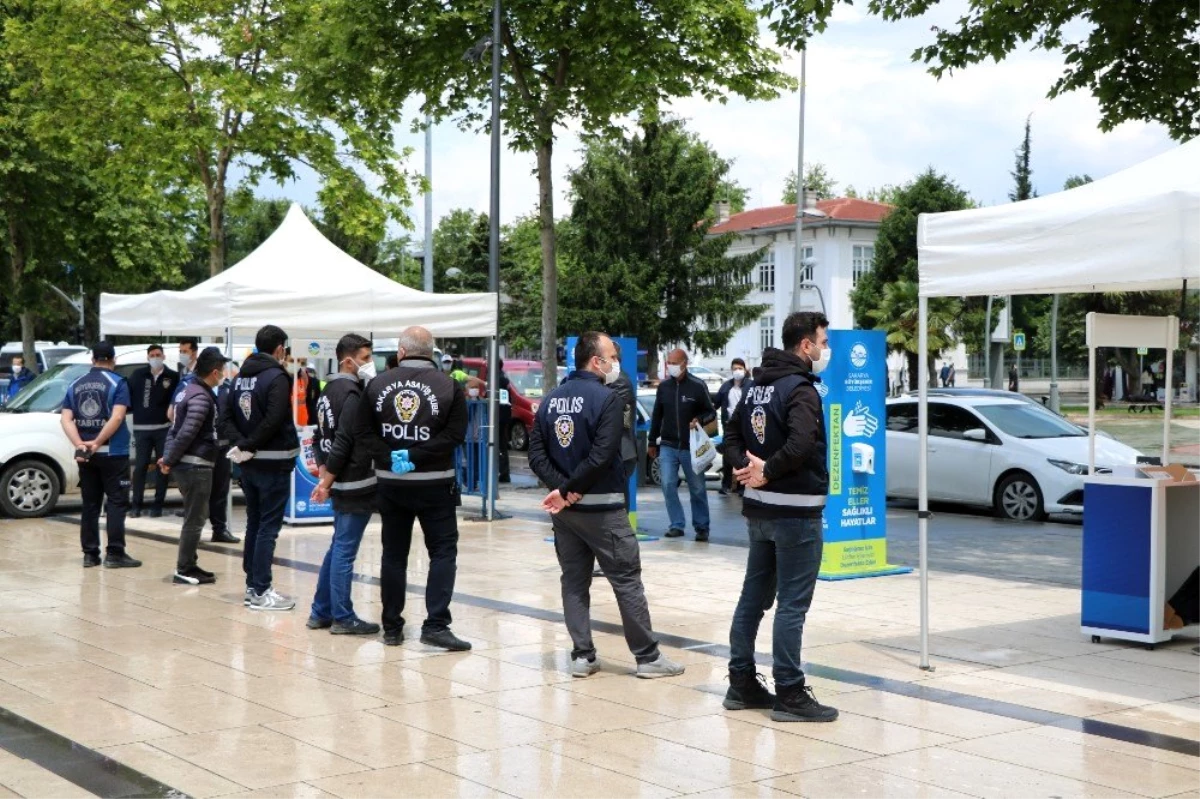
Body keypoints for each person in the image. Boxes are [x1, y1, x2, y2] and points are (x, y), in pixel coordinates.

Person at [529, 332, 685, 679]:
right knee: (627, 580)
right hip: (604, 510)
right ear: (596, 361)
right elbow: (602, 456)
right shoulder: (607, 398)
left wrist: (561, 490)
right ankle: (647, 657)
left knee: (573, 581)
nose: (616, 363)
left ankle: (582, 655)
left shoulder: (551, 399)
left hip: (566, 514)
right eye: (612, 356)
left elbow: (536, 455)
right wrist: (569, 489)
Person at [722, 311, 838, 723]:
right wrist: (765, 470)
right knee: (791, 604)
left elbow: (731, 433)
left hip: (759, 512)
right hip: (797, 514)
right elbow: (803, 443)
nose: (825, 350)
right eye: (822, 342)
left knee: (753, 598)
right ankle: (789, 690)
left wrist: (746, 469)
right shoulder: (801, 389)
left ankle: (740, 682)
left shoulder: (755, 386)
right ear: (805, 345)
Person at [351, 326, 470, 650]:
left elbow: (362, 431)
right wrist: (417, 454)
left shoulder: (378, 384)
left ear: (401, 352)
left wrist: (390, 456)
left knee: (394, 555)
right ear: (431, 353)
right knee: (443, 552)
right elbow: (455, 435)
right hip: (435, 484)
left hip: (392, 485)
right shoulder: (449, 386)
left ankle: (392, 628)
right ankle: (436, 625)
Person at [307, 334, 381, 636]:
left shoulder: (327, 391)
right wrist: (327, 480)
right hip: (354, 482)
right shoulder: (350, 394)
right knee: (345, 550)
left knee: (337, 546)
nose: (369, 364)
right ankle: (342, 616)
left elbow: (318, 437)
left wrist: (326, 472)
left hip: (340, 480)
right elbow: (343, 441)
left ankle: (321, 611)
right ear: (347, 359)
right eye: (364, 358)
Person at [225, 325, 300, 611]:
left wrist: (242, 444)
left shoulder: (240, 377)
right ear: (279, 348)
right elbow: (274, 418)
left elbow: (227, 416)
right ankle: (261, 589)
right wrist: (250, 444)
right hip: (273, 461)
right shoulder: (277, 377)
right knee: (268, 526)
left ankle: (252, 585)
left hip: (250, 463)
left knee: (255, 524)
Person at [60, 342, 142, 569]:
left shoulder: (75, 384)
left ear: (92, 360)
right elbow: (117, 418)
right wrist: (97, 442)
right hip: (114, 453)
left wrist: (81, 444)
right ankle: (115, 553)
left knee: (90, 505)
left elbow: (65, 419)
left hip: (86, 455)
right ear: (113, 360)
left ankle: (90, 554)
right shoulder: (118, 383)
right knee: (116, 502)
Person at [160, 347, 228, 585]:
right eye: (222, 370)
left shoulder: (186, 390)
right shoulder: (200, 396)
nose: (224, 374)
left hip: (188, 464)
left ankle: (190, 563)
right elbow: (187, 432)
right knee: (195, 518)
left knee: (196, 515)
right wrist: (168, 459)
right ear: (215, 371)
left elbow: (174, 428)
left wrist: (169, 456)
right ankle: (184, 568)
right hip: (196, 465)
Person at [648, 349, 716, 540]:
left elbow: (711, 412)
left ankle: (702, 527)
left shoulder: (697, 385)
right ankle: (676, 524)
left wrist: (699, 419)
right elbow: (657, 415)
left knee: (697, 488)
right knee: (668, 484)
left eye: (674, 362)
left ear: (684, 363)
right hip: (668, 445)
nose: (670, 366)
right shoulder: (664, 387)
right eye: (668, 362)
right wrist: (652, 441)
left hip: (691, 448)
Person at [127, 345, 178, 518]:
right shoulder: (138, 375)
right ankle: (136, 506)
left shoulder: (172, 377)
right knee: (140, 467)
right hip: (141, 429)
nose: (155, 357)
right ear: (147, 357)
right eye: (152, 355)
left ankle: (158, 505)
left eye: (158, 354)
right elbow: (129, 397)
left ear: (163, 356)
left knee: (162, 467)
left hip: (163, 429)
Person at [207, 362, 240, 544]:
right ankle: (193, 532)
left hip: (223, 447)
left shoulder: (229, 390)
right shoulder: (200, 388)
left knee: (221, 491)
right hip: (204, 448)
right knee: (201, 492)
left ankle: (219, 529)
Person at [716, 358, 753, 496]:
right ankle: (726, 485)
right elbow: (716, 403)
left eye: (740, 368)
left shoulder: (750, 385)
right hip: (729, 426)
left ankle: (742, 486)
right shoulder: (726, 387)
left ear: (744, 369)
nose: (737, 371)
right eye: (735, 368)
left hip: (746, 426)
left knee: (743, 456)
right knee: (728, 455)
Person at [608, 341, 639, 506]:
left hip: (620, 451)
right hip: (613, 450)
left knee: (619, 503)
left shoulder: (620, 381)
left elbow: (612, 416)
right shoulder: (609, 380)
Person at [286, 349, 320, 426]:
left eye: (300, 362)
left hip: (304, 425)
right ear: (284, 361)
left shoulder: (306, 379)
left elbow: (310, 404)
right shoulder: (280, 379)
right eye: (292, 361)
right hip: (287, 426)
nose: (296, 364)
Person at [497, 359, 512, 483]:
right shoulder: (504, 377)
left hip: (498, 416)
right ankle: (504, 472)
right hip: (505, 415)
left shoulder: (496, 378)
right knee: (502, 445)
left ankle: (503, 473)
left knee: (499, 445)